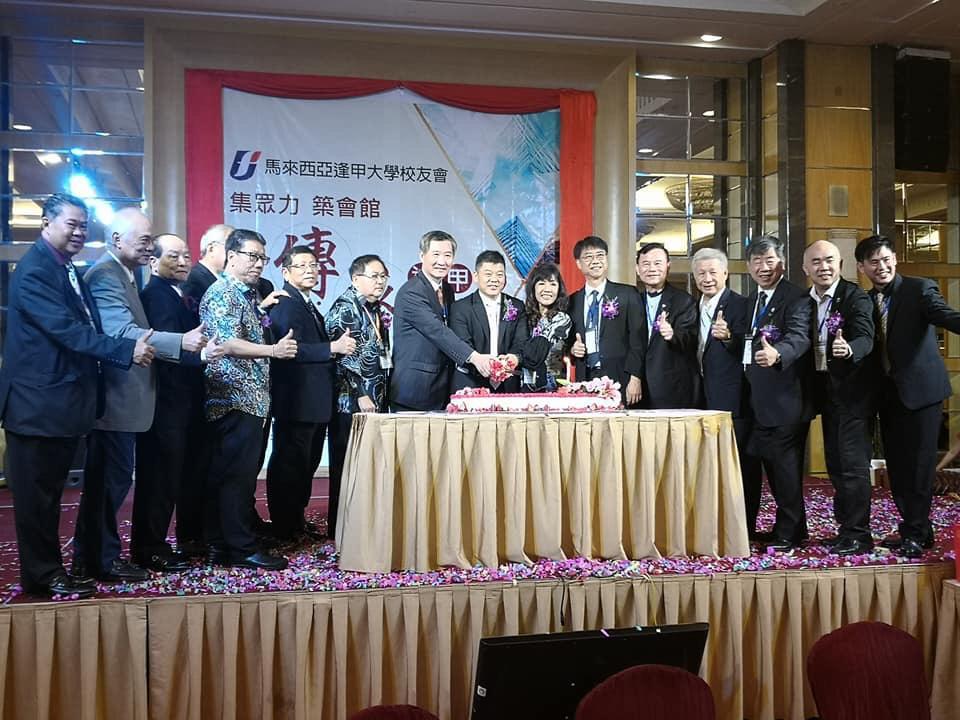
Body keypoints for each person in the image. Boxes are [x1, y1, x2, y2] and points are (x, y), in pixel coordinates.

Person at [0, 194, 154, 598]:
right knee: (37, 499)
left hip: (62, 405)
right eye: (71, 224)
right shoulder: (36, 271)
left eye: (84, 225)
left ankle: (53, 570)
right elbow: (67, 331)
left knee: (50, 496)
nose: (79, 232)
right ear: (46, 224)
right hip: (36, 405)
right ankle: (43, 576)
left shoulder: (65, 268)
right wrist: (125, 349)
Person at [73, 208, 208, 583]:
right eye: (145, 239)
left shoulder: (125, 274)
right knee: (108, 485)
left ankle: (96, 557)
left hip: (131, 397)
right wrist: (181, 342)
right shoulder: (106, 275)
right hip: (116, 397)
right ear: (117, 239)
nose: (150, 246)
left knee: (112, 484)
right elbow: (120, 332)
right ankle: (99, 559)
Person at [855, 234, 960, 558]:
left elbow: (944, 314)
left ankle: (914, 531)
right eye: (874, 262)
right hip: (888, 397)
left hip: (922, 394)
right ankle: (918, 529)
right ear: (862, 267)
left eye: (886, 260)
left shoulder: (919, 289)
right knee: (899, 468)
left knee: (919, 467)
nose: (881, 267)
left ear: (895, 260)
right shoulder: (865, 300)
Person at [199, 228, 296, 569]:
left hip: (250, 398)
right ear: (231, 256)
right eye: (252, 256)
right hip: (233, 397)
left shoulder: (245, 295)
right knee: (235, 477)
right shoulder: (223, 293)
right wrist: (273, 350)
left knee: (232, 475)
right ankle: (240, 548)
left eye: (262, 258)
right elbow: (226, 343)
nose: (258, 264)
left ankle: (221, 544)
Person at [134, 233, 222, 568]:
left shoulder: (178, 293)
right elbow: (167, 350)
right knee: (160, 479)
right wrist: (203, 356)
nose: (183, 262)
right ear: (153, 261)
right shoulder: (155, 295)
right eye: (174, 256)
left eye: (186, 255)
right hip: (167, 402)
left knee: (183, 474)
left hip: (187, 401)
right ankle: (150, 548)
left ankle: (187, 538)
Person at [265, 245, 356, 541]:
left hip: (312, 402)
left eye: (314, 265)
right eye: (302, 265)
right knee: (290, 466)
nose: (310, 270)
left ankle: (296, 523)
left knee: (305, 465)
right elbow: (289, 349)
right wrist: (332, 348)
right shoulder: (284, 303)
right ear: (285, 271)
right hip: (296, 401)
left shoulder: (305, 302)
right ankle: (285, 528)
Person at [801, 240, 877, 555]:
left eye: (829, 260)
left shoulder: (854, 297)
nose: (824, 267)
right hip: (822, 390)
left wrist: (850, 349)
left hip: (852, 393)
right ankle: (845, 529)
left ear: (840, 264)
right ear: (806, 268)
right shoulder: (804, 301)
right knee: (835, 462)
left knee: (852, 465)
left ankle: (859, 534)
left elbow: (866, 337)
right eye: (816, 262)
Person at [742, 235, 815, 551]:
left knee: (785, 471)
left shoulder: (796, 298)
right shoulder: (752, 301)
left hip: (787, 400)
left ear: (782, 263)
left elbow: (800, 337)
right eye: (757, 262)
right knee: (773, 469)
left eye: (769, 260)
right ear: (748, 266)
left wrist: (778, 353)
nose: (763, 267)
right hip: (759, 401)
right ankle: (793, 527)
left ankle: (789, 533)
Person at [692, 247, 762, 536]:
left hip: (735, 398)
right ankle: (714, 525)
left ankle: (745, 528)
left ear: (725, 273)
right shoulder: (691, 307)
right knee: (709, 466)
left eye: (713, 272)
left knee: (743, 464)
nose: (707, 278)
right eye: (701, 273)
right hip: (700, 399)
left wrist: (730, 337)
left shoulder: (742, 305)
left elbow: (752, 348)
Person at [325, 254, 392, 538]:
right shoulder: (345, 308)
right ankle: (341, 527)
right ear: (355, 278)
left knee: (367, 462)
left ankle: (363, 523)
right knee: (346, 462)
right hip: (350, 400)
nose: (380, 282)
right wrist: (360, 393)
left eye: (383, 277)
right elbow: (341, 357)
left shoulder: (373, 308)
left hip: (374, 397)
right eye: (374, 276)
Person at [389, 230, 493, 411]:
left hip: (440, 387)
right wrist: (474, 357)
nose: (442, 261)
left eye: (448, 255)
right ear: (422, 256)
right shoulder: (411, 292)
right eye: (436, 254)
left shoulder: (447, 289)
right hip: (414, 391)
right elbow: (437, 330)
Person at [568, 235, 644, 405]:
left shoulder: (627, 294)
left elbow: (637, 340)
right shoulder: (572, 301)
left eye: (600, 255)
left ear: (607, 260)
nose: (595, 261)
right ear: (579, 264)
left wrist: (636, 378)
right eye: (588, 257)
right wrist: (573, 349)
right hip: (585, 378)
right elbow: (567, 344)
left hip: (620, 377)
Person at [450, 250, 528, 393]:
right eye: (488, 274)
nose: (494, 279)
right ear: (475, 276)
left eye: (499, 274)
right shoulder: (460, 308)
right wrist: (481, 362)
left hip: (508, 384)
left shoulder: (516, 306)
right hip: (470, 383)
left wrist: (514, 358)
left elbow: (521, 341)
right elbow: (461, 344)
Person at [635, 242, 699, 408]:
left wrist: (672, 335)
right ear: (637, 269)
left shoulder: (684, 301)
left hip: (672, 387)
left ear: (668, 266)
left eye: (658, 263)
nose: (652, 269)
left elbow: (691, 339)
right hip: (638, 389)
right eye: (646, 264)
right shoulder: (634, 300)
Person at [520, 262, 572, 391]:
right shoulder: (524, 317)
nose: (547, 289)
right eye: (542, 283)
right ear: (533, 287)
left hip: (551, 386)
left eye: (553, 284)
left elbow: (535, 354)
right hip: (522, 386)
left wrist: (518, 355)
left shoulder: (561, 319)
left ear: (559, 289)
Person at [182, 223, 231, 315]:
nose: (234, 255)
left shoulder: (226, 279)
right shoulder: (192, 279)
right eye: (231, 248)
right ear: (211, 249)